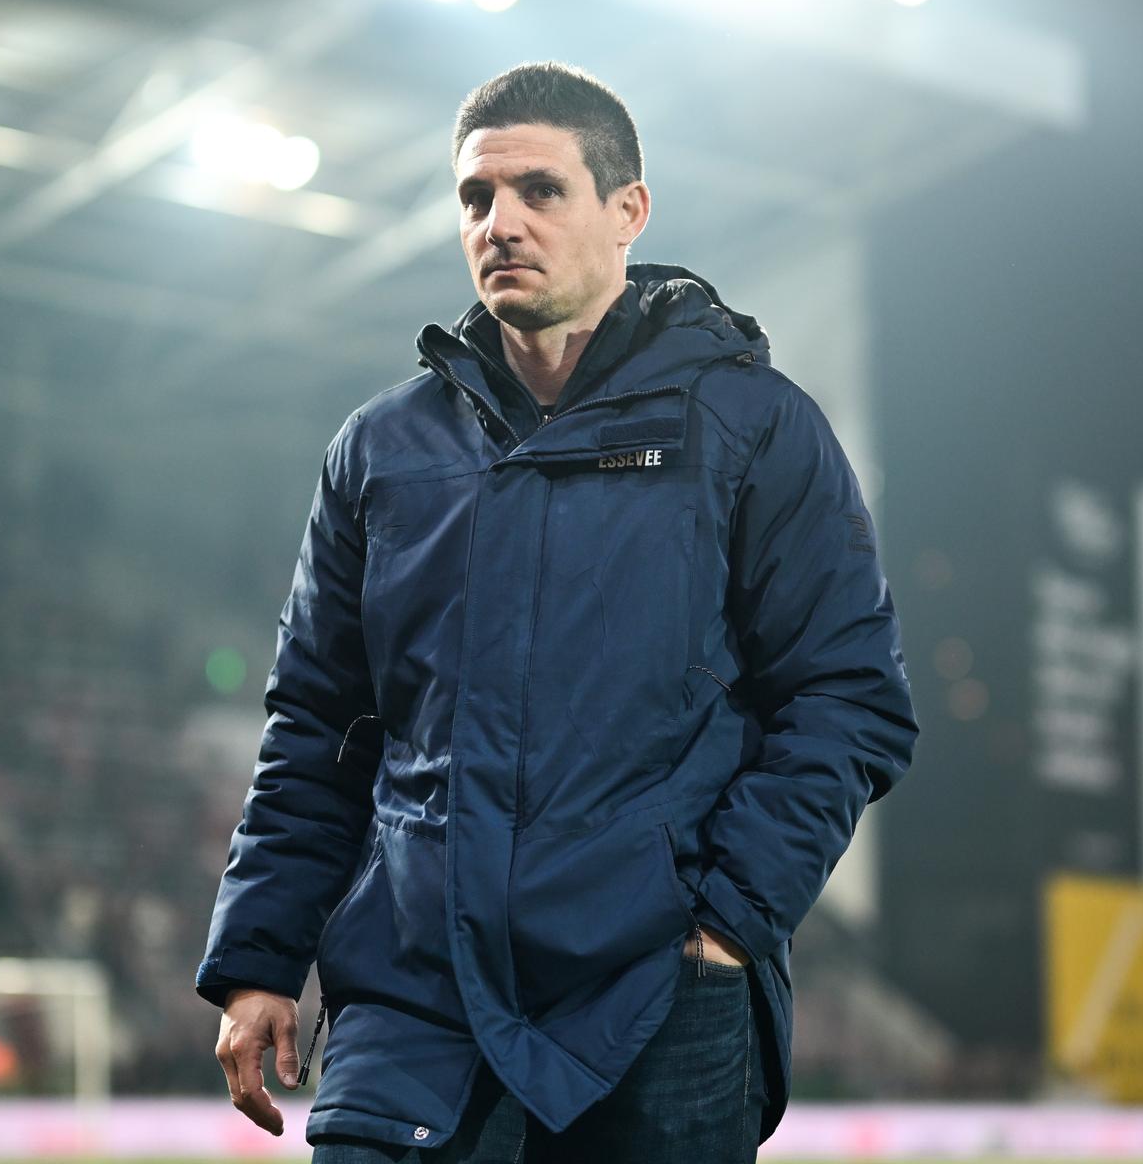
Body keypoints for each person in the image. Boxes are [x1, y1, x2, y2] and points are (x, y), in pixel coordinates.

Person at [196, 61, 918, 1161]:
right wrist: (258, 954)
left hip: (657, 991)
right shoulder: (381, 449)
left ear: (628, 210)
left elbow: (849, 696)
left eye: (541, 190)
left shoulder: (753, 427)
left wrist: (726, 922)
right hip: (414, 991)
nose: (501, 223)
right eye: (476, 198)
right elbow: (317, 723)